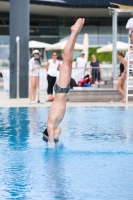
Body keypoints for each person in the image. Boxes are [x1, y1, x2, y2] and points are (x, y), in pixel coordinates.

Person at [42, 18, 85, 148]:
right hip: (63, 90)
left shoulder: (50, 124)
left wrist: (51, 142)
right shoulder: (56, 123)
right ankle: (76, 33)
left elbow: (50, 141)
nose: (58, 135)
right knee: (69, 60)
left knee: (66, 60)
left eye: (56, 136)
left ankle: (74, 31)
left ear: (51, 134)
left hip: (61, 90)